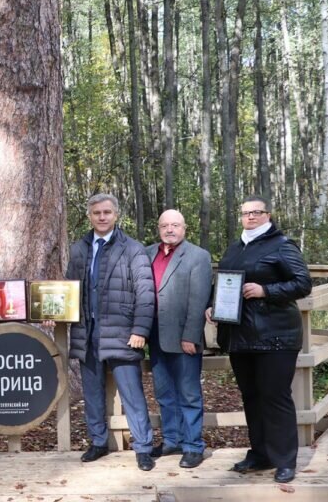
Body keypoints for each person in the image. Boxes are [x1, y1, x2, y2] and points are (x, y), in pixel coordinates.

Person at [206, 196, 311, 484]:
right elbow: (224, 282)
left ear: (268, 215)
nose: (250, 217)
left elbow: (303, 283)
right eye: (245, 213)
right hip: (241, 337)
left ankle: (285, 460)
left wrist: (266, 290)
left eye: (256, 212)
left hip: (275, 336)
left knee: (275, 398)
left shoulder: (282, 246)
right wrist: (213, 305)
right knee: (251, 397)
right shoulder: (235, 248)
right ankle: (261, 453)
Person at [66, 194, 156, 471]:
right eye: (96, 213)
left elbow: (146, 293)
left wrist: (140, 329)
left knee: (132, 394)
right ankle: (98, 442)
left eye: (107, 212)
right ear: (89, 216)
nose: (102, 217)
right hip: (87, 332)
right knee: (91, 393)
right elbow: (70, 289)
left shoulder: (133, 249)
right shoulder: (79, 249)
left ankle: (143, 447)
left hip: (122, 332)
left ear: (116, 215)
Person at [146, 210, 212, 468]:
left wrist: (191, 337)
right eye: (165, 225)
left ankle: (193, 446)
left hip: (184, 337)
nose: (169, 229)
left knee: (189, 394)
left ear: (184, 228)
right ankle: (172, 440)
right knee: (164, 393)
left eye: (175, 225)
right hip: (155, 336)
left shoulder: (198, 256)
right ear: (159, 228)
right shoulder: (148, 252)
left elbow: (198, 301)